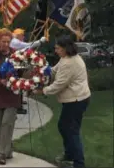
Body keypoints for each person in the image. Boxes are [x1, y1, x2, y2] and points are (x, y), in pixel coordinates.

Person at [33, 35, 91, 168]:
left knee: (71, 130)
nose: (56, 51)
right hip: (75, 99)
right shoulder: (66, 58)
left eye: (58, 48)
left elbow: (59, 84)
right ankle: (70, 154)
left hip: (76, 100)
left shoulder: (70, 63)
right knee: (64, 127)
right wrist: (41, 73)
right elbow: (54, 71)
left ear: (66, 48)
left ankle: (78, 163)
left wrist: (42, 91)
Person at [0, 28, 20, 165]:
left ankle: (1, 154)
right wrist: (1, 81)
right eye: (3, 41)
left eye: (8, 41)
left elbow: (22, 70)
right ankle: (8, 149)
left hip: (12, 94)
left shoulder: (16, 54)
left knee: (7, 123)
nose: (6, 44)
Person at [10, 28, 47, 114]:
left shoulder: (15, 41)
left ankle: (19, 103)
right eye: (22, 35)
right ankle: (18, 106)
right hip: (15, 67)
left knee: (19, 84)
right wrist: (40, 41)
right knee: (18, 85)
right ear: (18, 35)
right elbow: (28, 45)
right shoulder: (15, 41)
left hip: (18, 65)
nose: (23, 37)